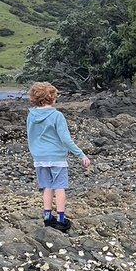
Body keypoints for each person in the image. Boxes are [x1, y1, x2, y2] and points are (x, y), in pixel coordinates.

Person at [26, 82, 91, 232]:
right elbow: (65, 139)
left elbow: (30, 136)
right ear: (50, 98)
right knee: (59, 188)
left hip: (40, 157)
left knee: (47, 187)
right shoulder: (57, 116)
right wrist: (81, 154)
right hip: (56, 157)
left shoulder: (31, 115)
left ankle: (48, 218)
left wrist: (35, 152)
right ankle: (61, 220)